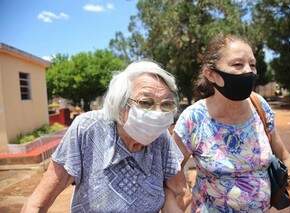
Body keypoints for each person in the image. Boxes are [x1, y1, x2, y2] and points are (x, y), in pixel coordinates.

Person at [21, 60, 184, 212]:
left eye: (166, 105)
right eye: (146, 103)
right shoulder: (87, 129)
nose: (157, 114)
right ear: (121, 105)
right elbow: (38, 202)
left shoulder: (161, 138)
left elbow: (174, 189)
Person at [168, 34, 290, 212]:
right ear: (211, 74)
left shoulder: (259, 106)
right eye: (237, 64)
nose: (248, 71)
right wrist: (181, 197)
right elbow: (171, 172)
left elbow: (284, 156)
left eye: (252, 64)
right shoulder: (193, 119)